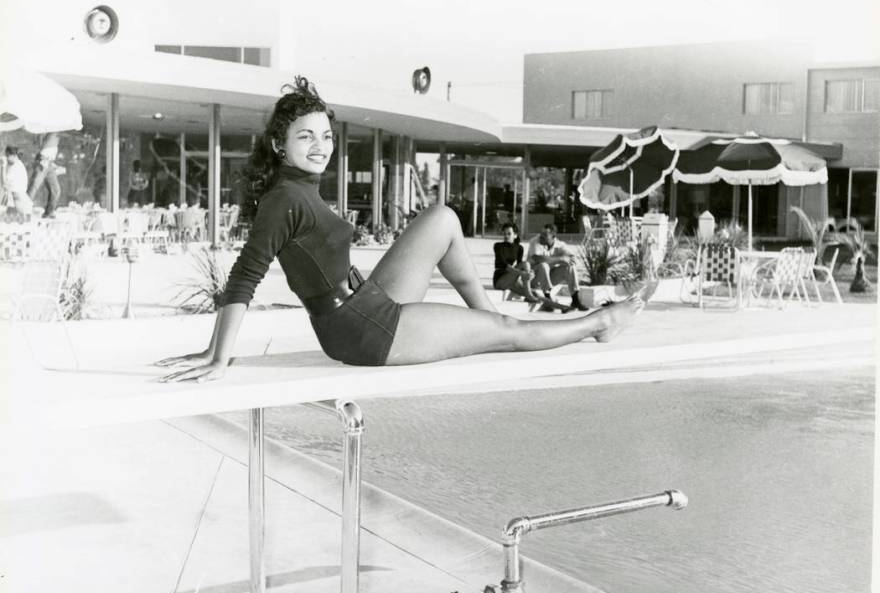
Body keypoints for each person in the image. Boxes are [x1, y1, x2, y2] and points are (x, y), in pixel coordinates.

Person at [157, 77, 643, 383]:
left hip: (368, 302)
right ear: (280, 145)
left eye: (326, 135)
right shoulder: (284, 199)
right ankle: (599, 323)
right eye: (305, 137)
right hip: (362, 331)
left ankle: (490, 324)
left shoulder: (299, 187)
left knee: (443, 219)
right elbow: (245, 276)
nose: (320, 146)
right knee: (508, 329)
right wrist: (217, 356)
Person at [527, 224, 589, 311]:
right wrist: (561, 259)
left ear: (553, 236)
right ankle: (548, 299)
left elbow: (573, 259)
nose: (541, 236)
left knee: (570, 267)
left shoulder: (560, 245)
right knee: (543, 265)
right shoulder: (535, 241)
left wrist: (568, 259)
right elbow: (538, 259)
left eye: (545, 235)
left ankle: (575, 300)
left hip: (549, 279)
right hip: (534, 279)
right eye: (541, 233)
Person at [492, 222, 538, 303]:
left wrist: (529, 272)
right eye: (505, 233)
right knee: (526, 264)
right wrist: (522, 273)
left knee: (535, 294)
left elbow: (519, 265)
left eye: (509, 234)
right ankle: (528, 295)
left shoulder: (519, 248)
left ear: (515, 235)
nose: (506, 236)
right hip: (500, 280)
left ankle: (561, 307)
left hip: (511, 278)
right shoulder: (498, 246)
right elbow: (504, 265)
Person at [28, 140, 62, 218]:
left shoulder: (58, 132)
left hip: (49, 162)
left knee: (56, 189)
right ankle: (24, 209)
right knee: (34, 187)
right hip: (42, 161)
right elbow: (37, 142)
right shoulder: (51, 131)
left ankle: (49, 212)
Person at [3, 146, 34, 216]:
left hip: (17, 192)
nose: (7, 158)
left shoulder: (15, 166)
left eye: (8, 156)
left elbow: (5, 182)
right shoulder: (18, 164)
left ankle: (16, 212)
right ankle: (13, 211)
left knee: (9, 198)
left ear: (14, 156)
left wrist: (3, 167)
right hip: (19, 192)